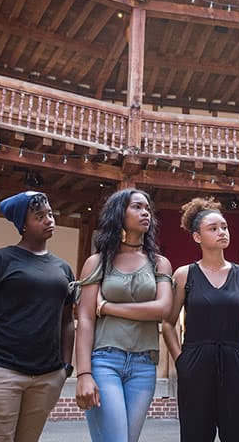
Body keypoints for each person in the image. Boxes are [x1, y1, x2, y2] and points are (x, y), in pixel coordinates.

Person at [0, 191, 75, 442]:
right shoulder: (0, 260)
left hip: (47, 376)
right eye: (39, 216)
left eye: (50, 214)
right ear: (22, 225)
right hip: (0, 371)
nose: (49, 220)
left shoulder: (63, 269)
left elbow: (67, 320)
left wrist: (65, 368)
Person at [74, 189, 173, 442]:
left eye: (148, 209)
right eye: (137, 207)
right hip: (104, 361)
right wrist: (84, 374)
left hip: (144, 365)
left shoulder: (159, 263)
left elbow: (162, 309)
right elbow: (85, 319)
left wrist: (107, 307)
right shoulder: (97, 262)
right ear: (120, 213)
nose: (145, 213)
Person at [162, 197, 239, 442]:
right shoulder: (184, 275)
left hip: (237, 363)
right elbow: (168, 322)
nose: (222, 232)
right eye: (213, 228)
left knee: (238, 436)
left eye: (225, 227)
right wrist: (181, 360)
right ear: (197, 237)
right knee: (195, 436)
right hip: (195, 364)